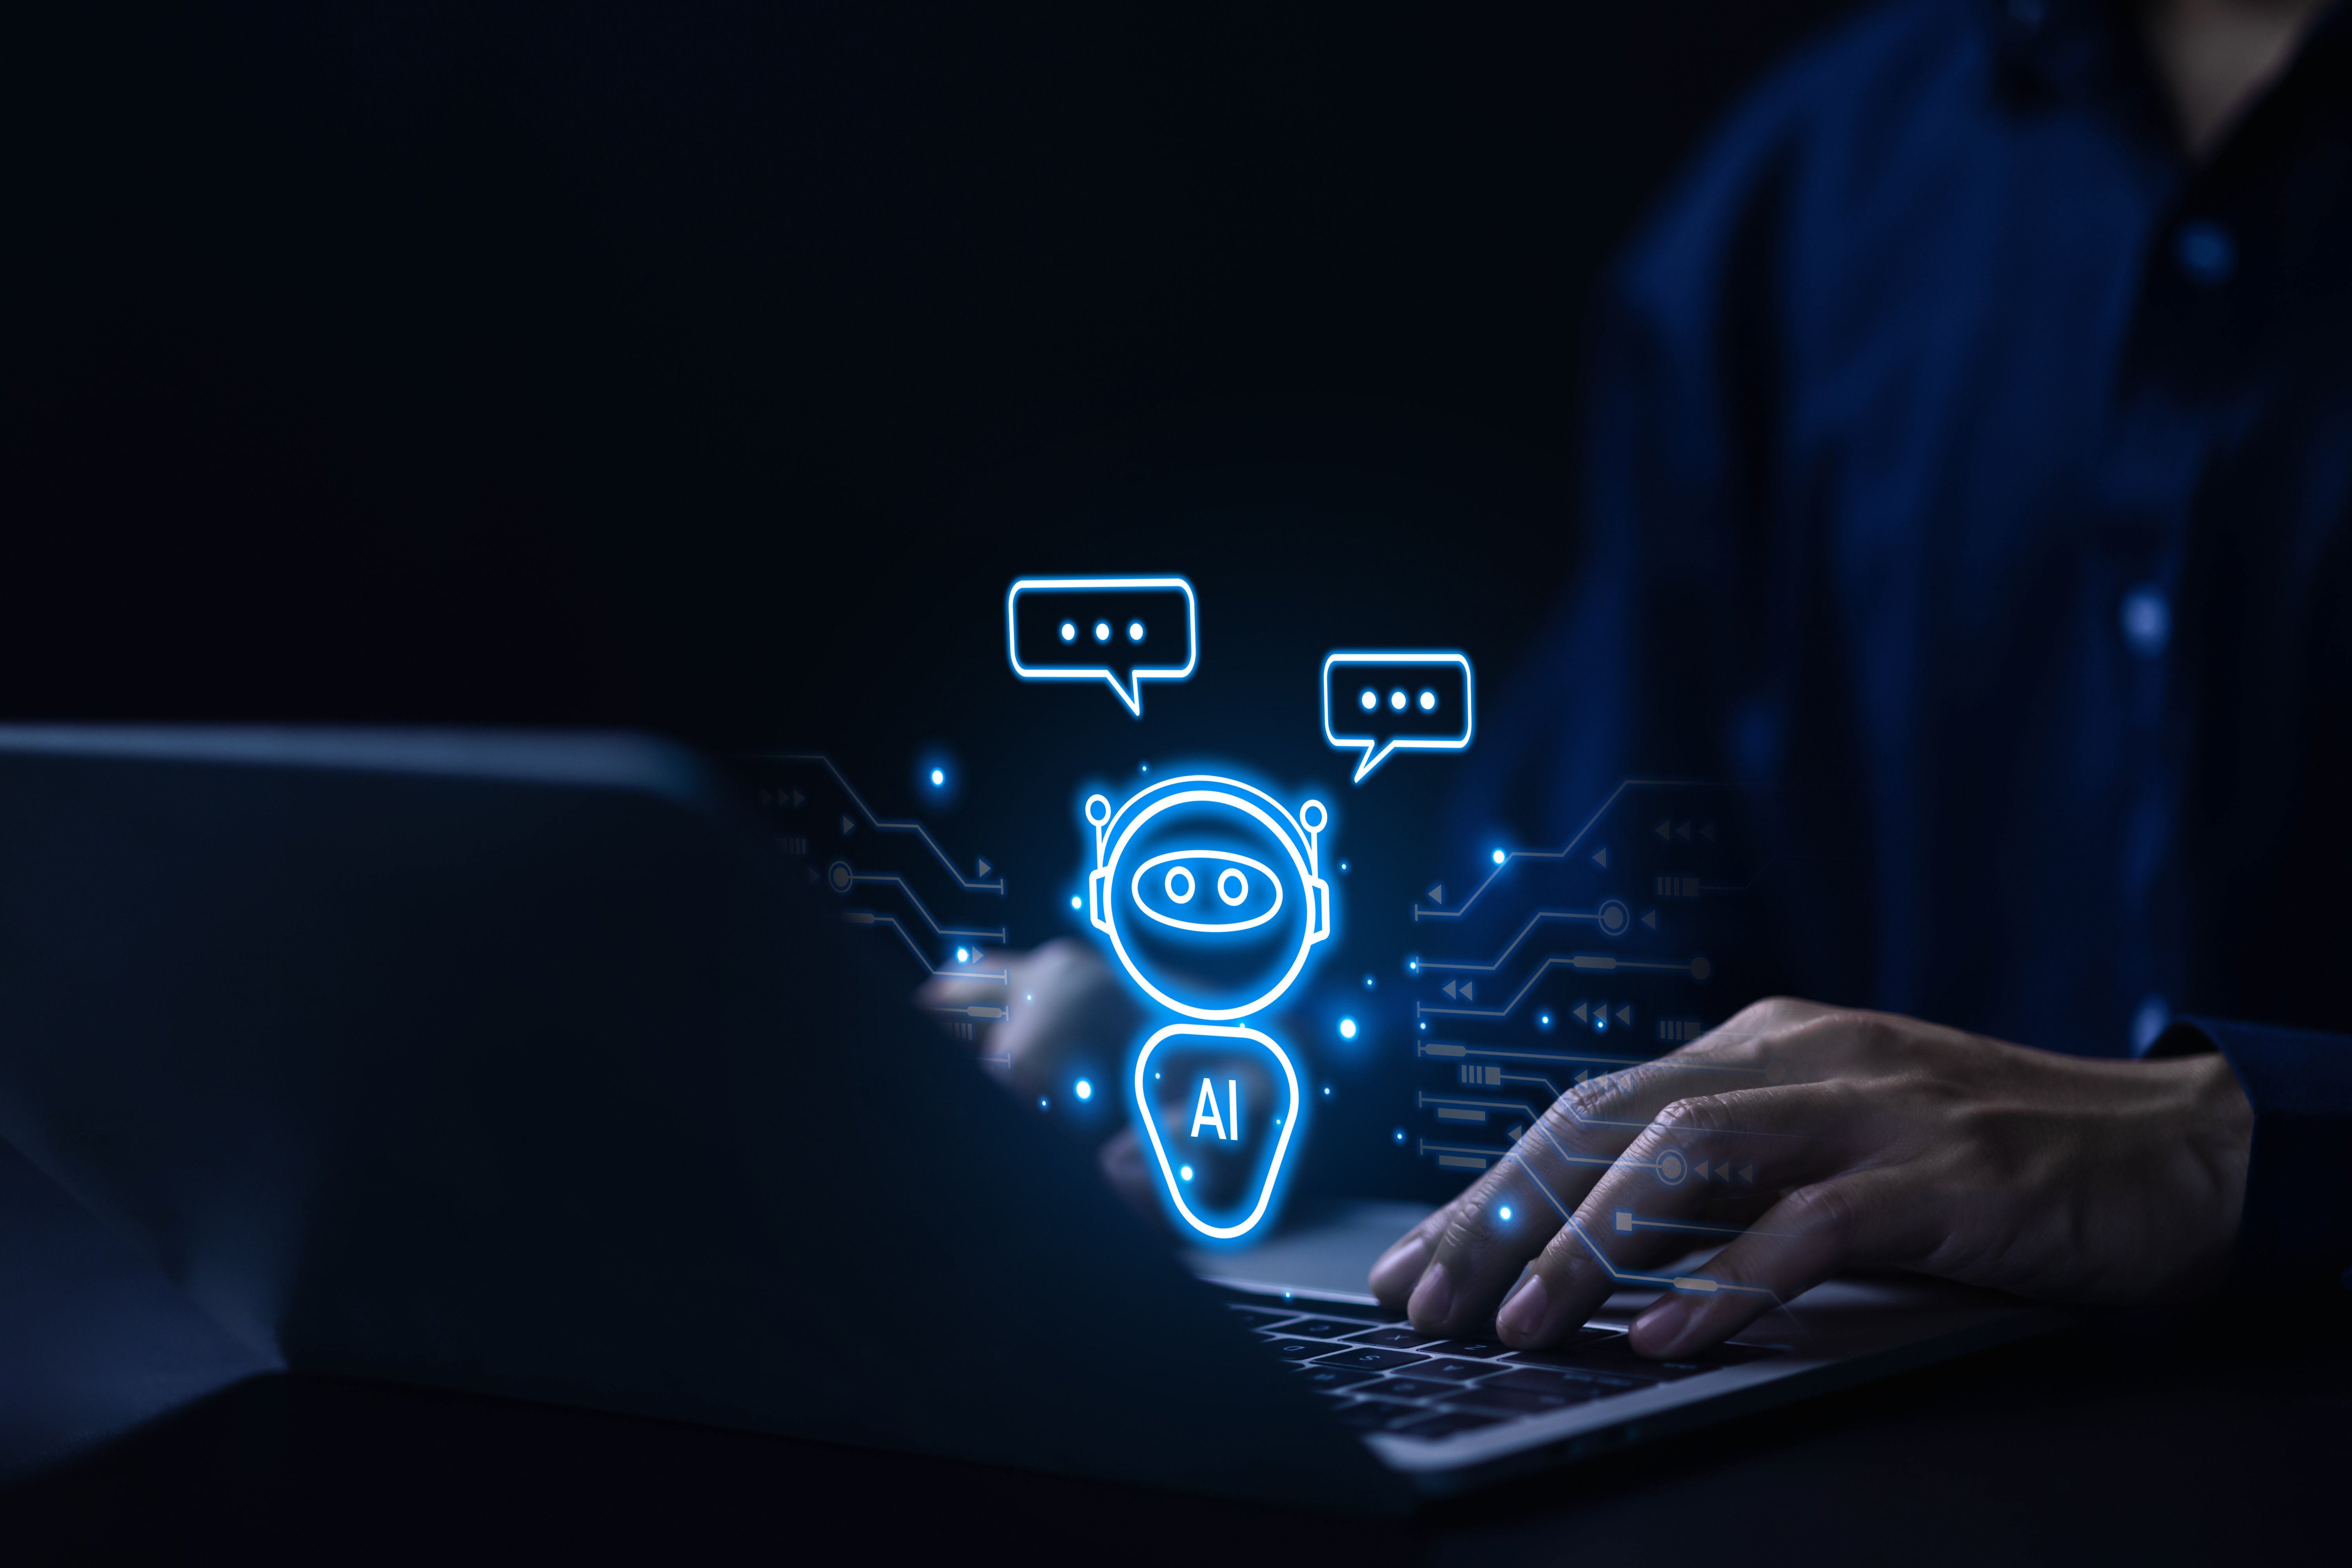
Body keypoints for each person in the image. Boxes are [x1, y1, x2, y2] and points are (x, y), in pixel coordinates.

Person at [936, 0, 2352, 1357]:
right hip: (1868, 1474)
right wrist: (1244, 1038)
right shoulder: (1814, 188)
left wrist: (2242, 1140)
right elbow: (1593, 942)